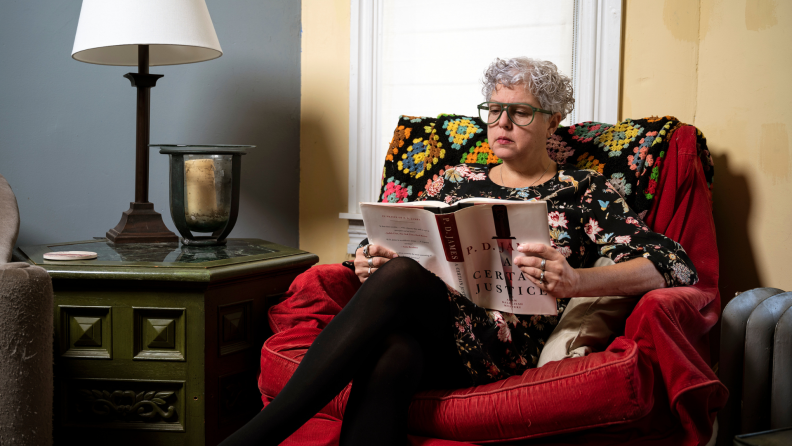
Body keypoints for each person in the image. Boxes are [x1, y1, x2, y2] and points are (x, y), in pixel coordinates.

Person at [220, 57, 697, 446]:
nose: (502, 122)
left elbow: (675, 265)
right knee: (393, 350)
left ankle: (254, 439)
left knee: (403, 285)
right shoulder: (457, 180)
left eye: (521, 111)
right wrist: (367, 258)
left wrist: (577, 282)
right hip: (434, 334)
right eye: (493, 110)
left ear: (553, 118)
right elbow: (402, 235)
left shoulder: (583, 190)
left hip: (504, 347)